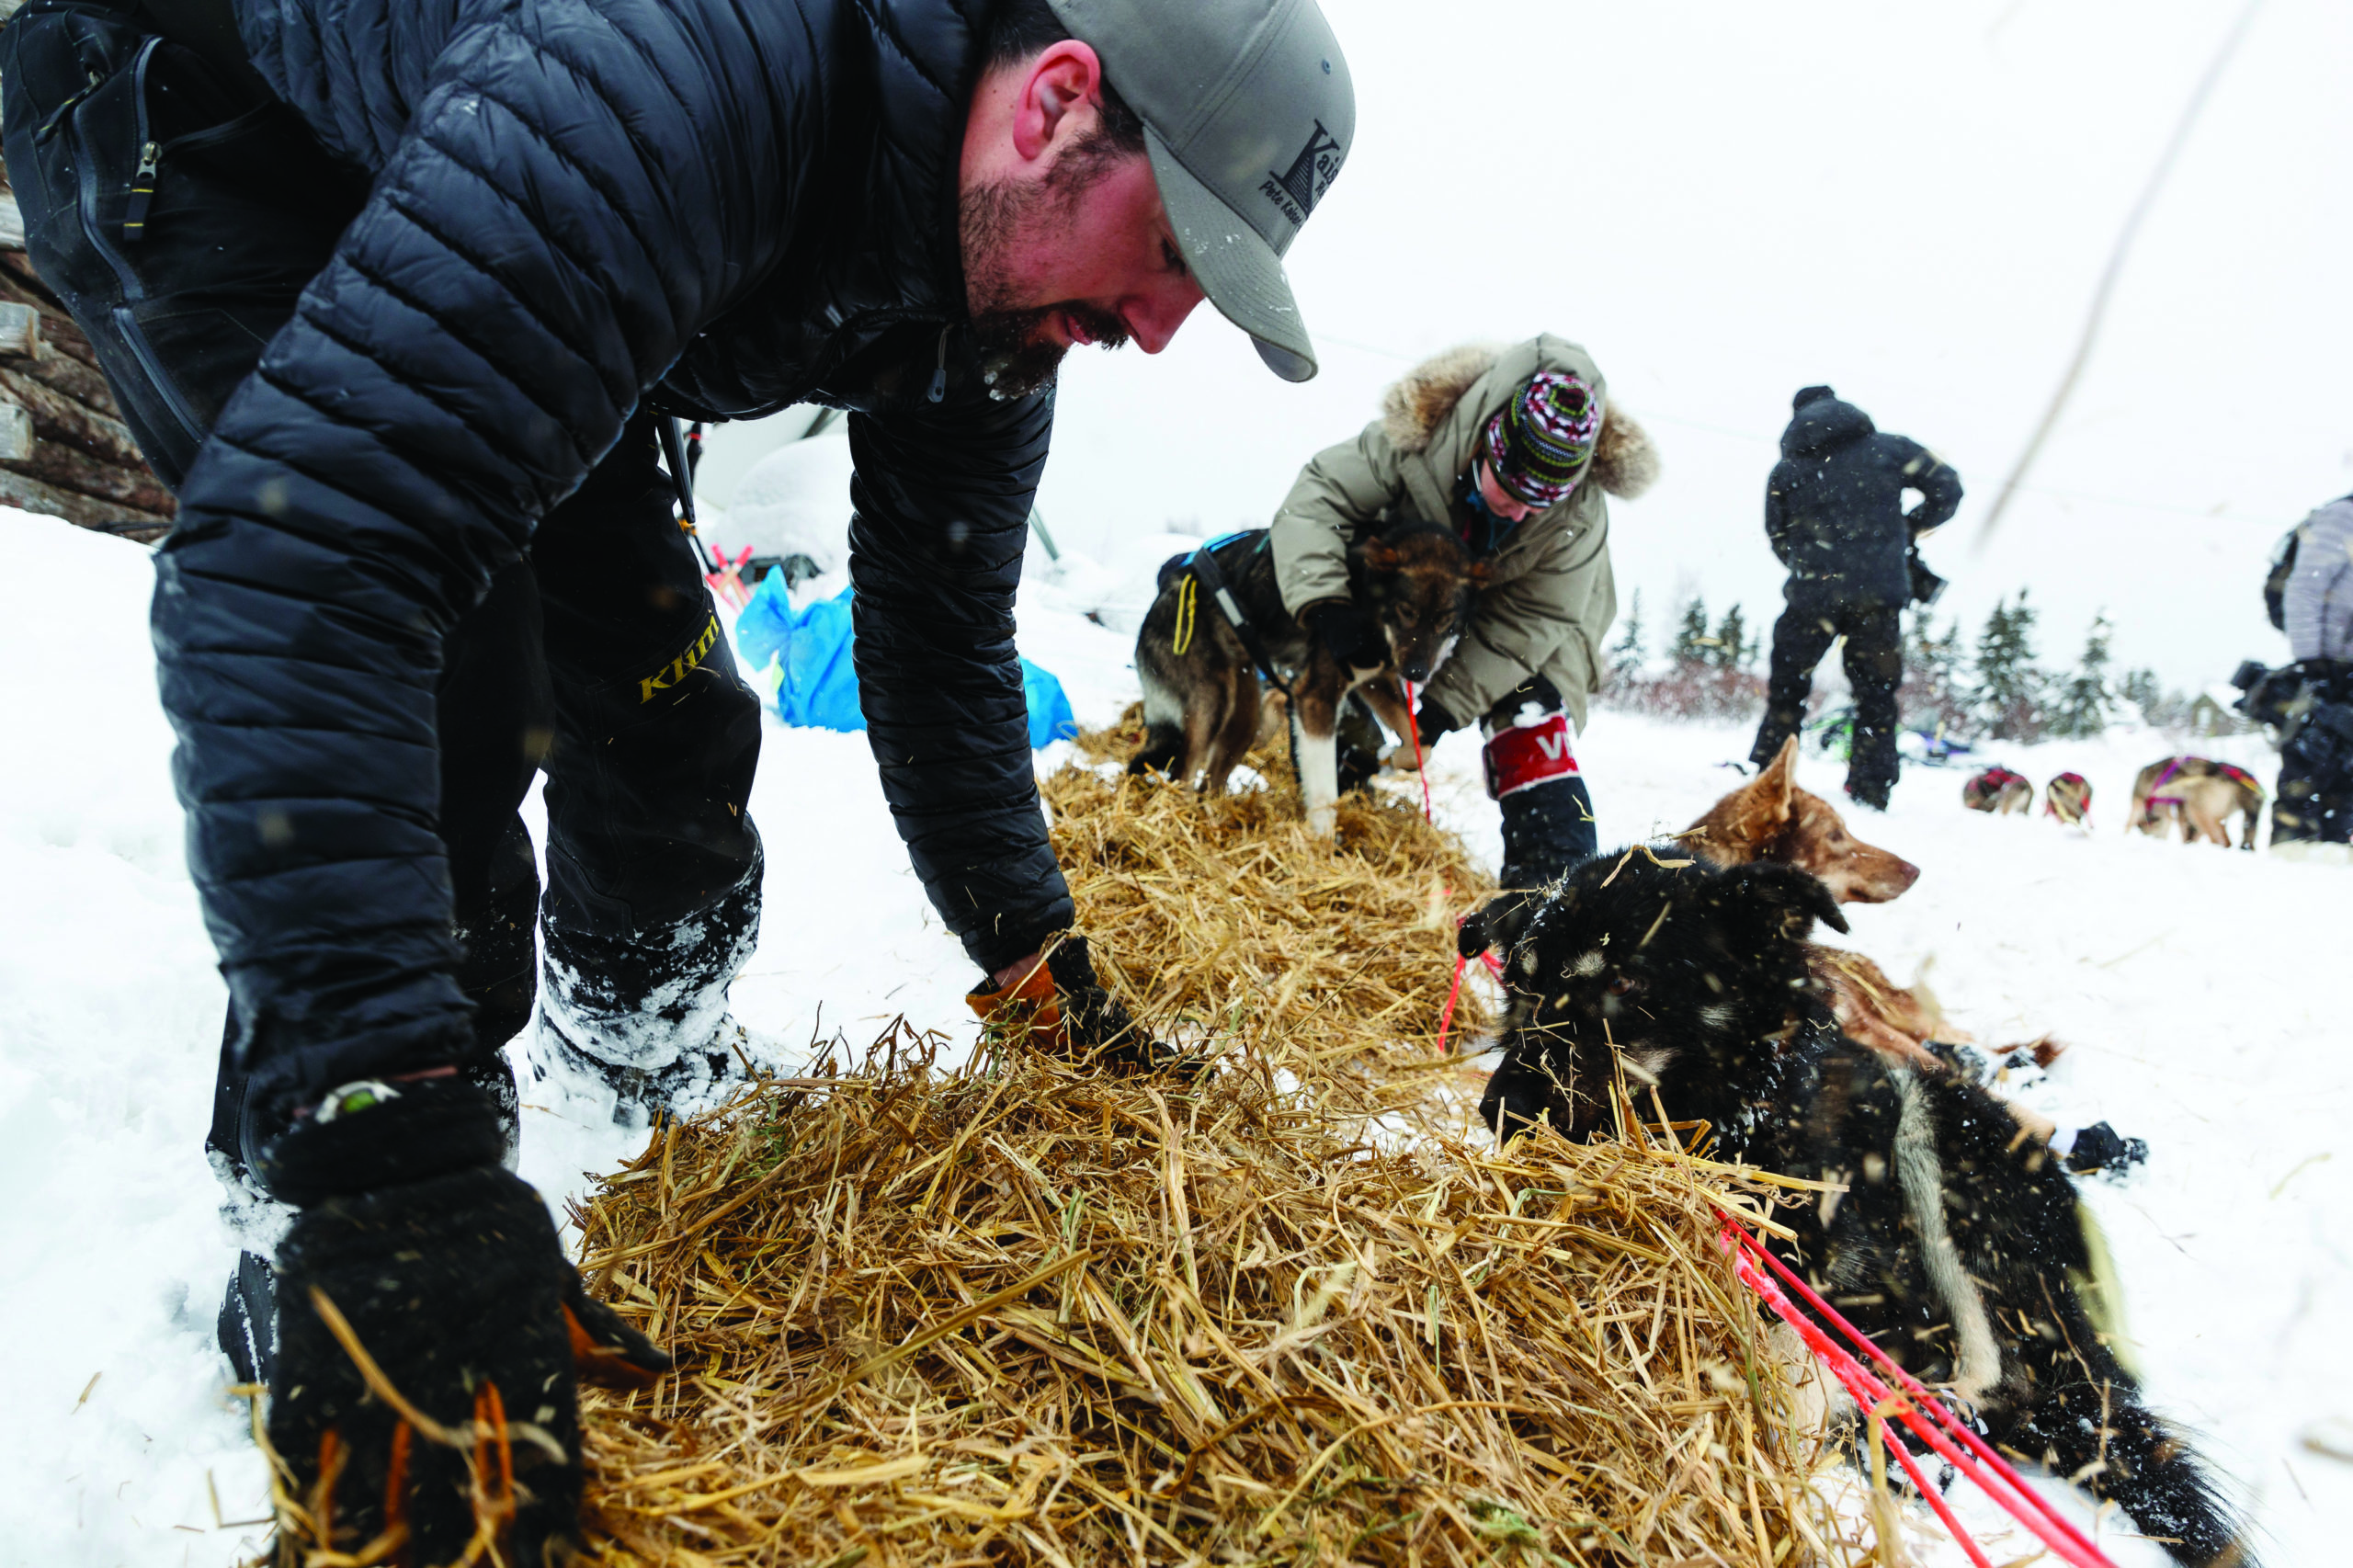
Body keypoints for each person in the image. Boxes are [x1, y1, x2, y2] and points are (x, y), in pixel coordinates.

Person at [1, 0, 1353, 1551]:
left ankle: (639, 1037)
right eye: (1175, 247)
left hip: (484, 181)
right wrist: (399, 1165)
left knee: (667, 707)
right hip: (207, 116)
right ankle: (321, 1230)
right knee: (457, 691)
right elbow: (307, 569)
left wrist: (1037, 963)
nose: (1168, 325)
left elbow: (941, 638)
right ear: (1054, 103)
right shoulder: (686, 84)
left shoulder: (995, 298)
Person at [1270, 337, 1658, 890]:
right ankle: (1348, 796)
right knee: (1346, 653)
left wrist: (1442, 711)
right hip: (1419, 590)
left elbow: (1529, 624)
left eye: (1538, 501)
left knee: (1531, 719)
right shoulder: (1416, 440)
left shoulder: (1580, 518)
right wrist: (1325, 605)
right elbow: (1319, 500)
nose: (1520, 510)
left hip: (1540, 624)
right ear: (1487, 446)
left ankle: (1546, 896)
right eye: (1510, 489)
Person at [1748, 385, 1961, 810]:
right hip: (1877, 597)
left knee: (1789, 689)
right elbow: (1947, 488)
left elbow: (1777, 536)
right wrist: (1907, 528)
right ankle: (1871, 786)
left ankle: (1770, 781)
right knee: (1877, 693)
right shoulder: (1890, 449)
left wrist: (1814, 563)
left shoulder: (1786, 471)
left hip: (1811, 596)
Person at [2256, 494, 2353, 858]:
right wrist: (2312, 660)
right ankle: (2291, 845)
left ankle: (2335, 845)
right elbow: (2304, 589)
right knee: (2311, 751)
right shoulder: (2343, 517)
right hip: (2327, 661)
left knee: (2347, 762)